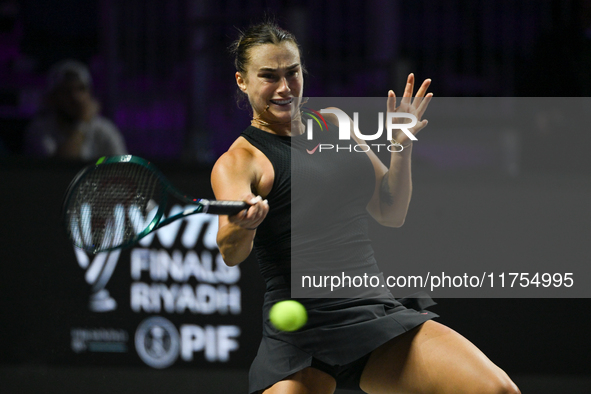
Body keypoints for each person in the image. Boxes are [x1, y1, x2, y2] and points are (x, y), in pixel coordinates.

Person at [211, 21, 520, 394]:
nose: (284, 88)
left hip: (370, 310)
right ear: (242, 81)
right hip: (299, 333)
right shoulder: (239, 161)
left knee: (497, 390)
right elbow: (230, 251)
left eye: (292, 73)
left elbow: (391, 211)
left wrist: (400, 146)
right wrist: (243, 225)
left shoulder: (336, 123)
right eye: (269, 76)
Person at [24, 60, 126, 160]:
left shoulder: (104, 129)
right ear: (52, 97)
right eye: (67, 91)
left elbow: (124, 171)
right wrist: (82, 123)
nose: (76, 97)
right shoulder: (40, 130)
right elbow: (59, 170)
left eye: (81, 89)